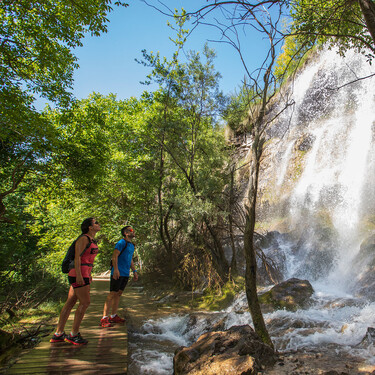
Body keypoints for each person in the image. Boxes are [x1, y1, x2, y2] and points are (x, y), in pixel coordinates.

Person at [50, 217, 100, 345]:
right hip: (78, 274)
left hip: (84, 273)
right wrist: (79, 275)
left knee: (71, 302)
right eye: (96, 223)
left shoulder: (92, 239)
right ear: (90, 227)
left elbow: (88, 259)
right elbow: (77, 257)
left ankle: (58, 333)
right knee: (85, 302)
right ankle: (73, 334)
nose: (98, 224)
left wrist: (89, 274)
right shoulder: (83, 238)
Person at [100, 225, 138, 327]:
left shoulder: (131, 245)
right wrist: (115, 270)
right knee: (112, 294)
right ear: (125, 233)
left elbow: (130, 259)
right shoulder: (121, 243)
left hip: (125, 273)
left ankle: (113, 315)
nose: (133, 231)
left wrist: (134, 271)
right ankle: (104, 318)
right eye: (131, 230)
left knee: (119, 294)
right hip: (118, 272)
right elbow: (114, 256)